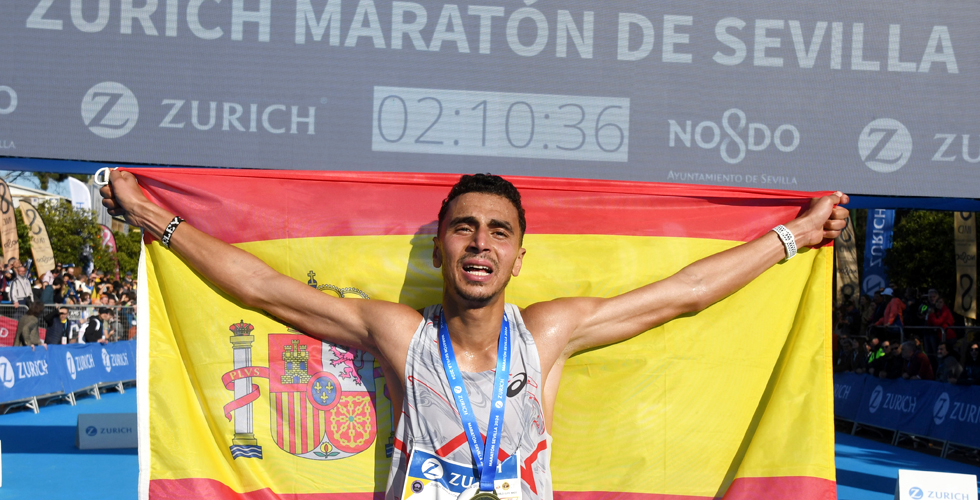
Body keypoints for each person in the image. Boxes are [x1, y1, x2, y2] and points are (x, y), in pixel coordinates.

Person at [101, 171, 849, 499]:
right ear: (440, 250)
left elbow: (681, 296)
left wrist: (794, 235)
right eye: (464, 229)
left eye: (498, 232)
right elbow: (264, 289)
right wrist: (155, 222)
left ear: (521, 256)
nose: (480, 244)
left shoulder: (550, 333)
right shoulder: (397, 333)